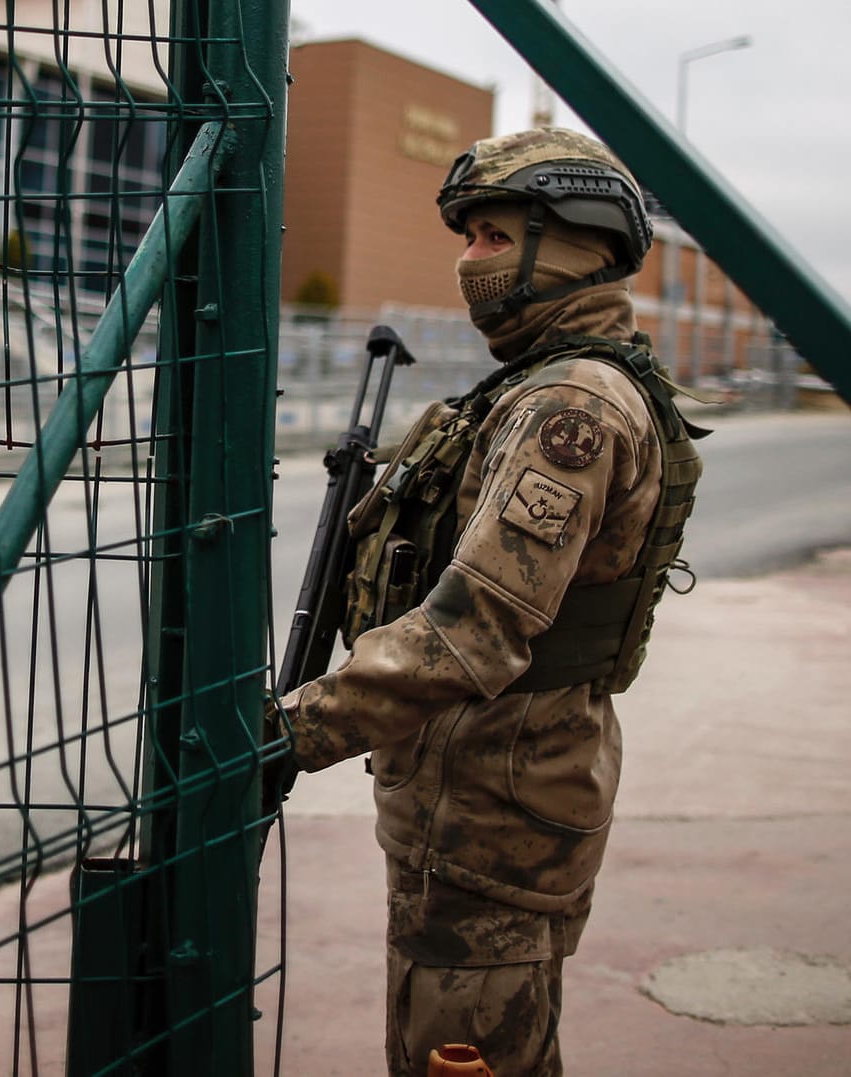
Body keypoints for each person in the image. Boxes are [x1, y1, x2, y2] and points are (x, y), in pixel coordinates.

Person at [271, 128, 705, 1075]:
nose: (468, 260)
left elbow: (474, 632)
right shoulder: (535, 387)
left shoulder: (574, 409)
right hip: (478, 805)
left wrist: (289, 730)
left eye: (493, 238)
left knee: (461, 1055)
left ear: (576, 243)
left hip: (493, 819)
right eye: (467, 237)